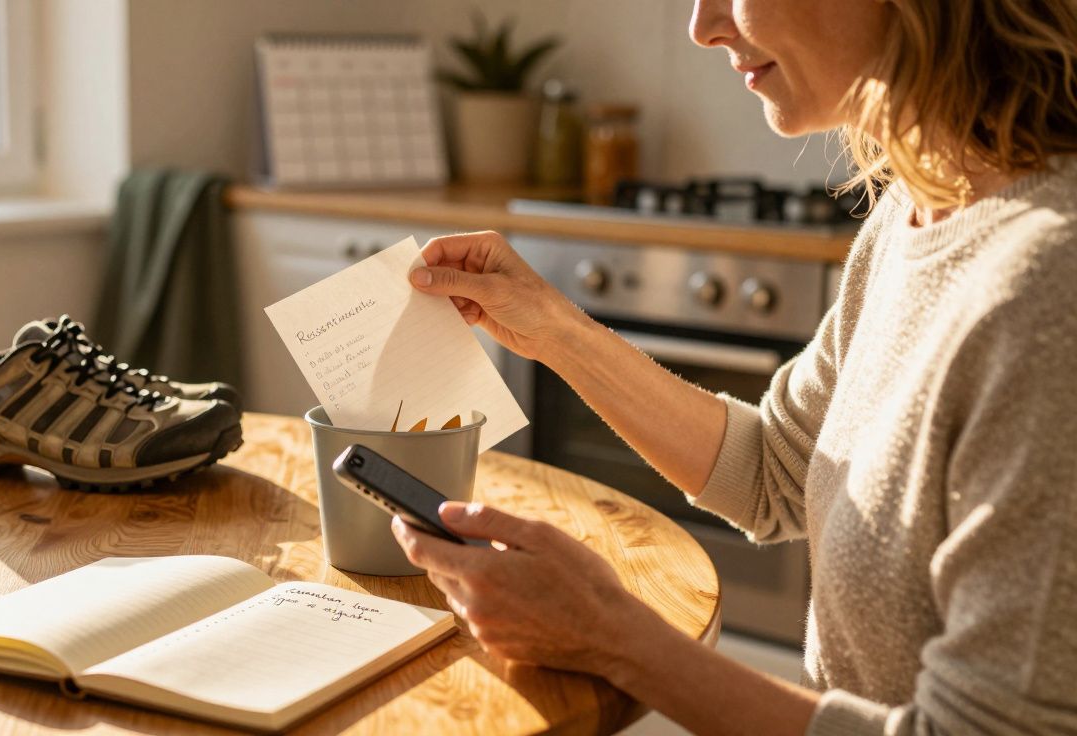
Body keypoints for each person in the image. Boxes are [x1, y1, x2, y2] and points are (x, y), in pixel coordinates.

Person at [391, 0, 1077, 733]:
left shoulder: (1048, 289)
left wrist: (610, 637)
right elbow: (773, 468)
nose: (703, 25)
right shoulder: (918, 208)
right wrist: (553, 329)